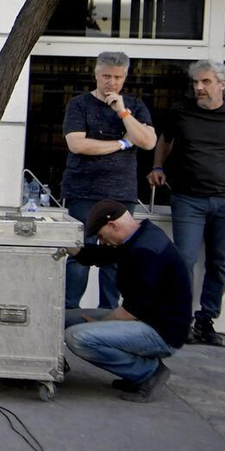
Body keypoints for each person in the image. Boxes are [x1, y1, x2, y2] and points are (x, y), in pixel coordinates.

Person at [147, 59, 225, 345]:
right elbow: (164, 139)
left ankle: (206, 321)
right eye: (196, 82)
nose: (199, 87)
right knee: (185, 259)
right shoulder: (181, 112)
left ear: (222, 85)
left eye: (206, 82)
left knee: (219, 262)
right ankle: (182, 320)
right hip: (188, 198)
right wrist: (158, 166)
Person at [64, 200, 191, 403]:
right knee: (63, 319)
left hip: (162, 332)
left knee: (77, 337)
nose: (102, 242)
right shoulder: (138, 236)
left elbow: (131, 311)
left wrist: (99, 325)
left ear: (113, 225)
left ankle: (148, 372)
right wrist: (60, 240)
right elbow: (97, 255)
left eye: (101, 236)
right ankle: (136, 372)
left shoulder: (145, 250)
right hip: (144, 319)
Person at [60, 51, 156, 311]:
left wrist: (123, 113)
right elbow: (77, 144)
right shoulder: (79, 105)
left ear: (125, 77)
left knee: (117, 254)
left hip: (121, 193)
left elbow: (148, 142)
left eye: (117, 77)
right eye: (106, 76)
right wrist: (122, 143)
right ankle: (69, 312)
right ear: (96, 74)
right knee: (80, 253)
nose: (111, 82)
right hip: (84, 191)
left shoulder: (134, 107)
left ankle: (109, 313)